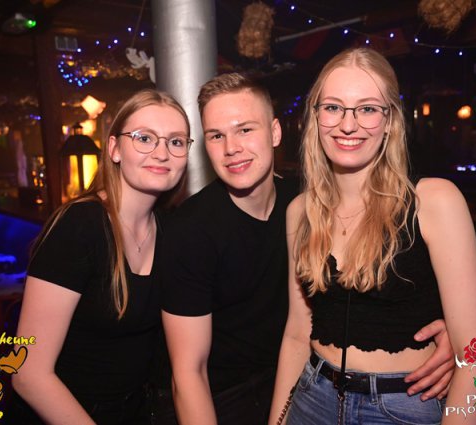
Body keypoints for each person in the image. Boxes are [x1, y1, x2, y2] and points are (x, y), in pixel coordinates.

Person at [161, 73, 455, 425]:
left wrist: (452, 332)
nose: (231, 148)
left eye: (245, 130)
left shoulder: (310, 203)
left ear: (275, 133)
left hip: (307, 381)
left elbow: (390, 276)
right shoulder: (189, 231)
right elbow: (188, 373)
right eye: (216, 136)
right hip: (230, 398)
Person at [269, 48, 476, 425]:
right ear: (316, 116)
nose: (348, 124)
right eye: (333, 107)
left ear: (390, 120)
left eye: (368, 109)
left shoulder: (434, 201)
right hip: (312, 396)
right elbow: (297, 333)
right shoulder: (300, 211)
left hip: (400, 407)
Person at [11, 89, 192, 424]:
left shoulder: (170, 230)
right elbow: (28, 373)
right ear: (114, 149)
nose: (162, 152)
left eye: (176, 142)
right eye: (144, 138)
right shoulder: (80, 226)